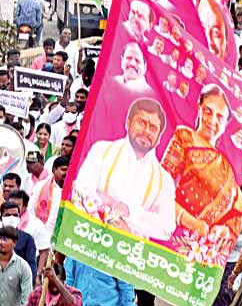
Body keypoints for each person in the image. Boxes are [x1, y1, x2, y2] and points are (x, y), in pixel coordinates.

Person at [71, 98, 176, 241]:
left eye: (153, 128)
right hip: (89, 240)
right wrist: (110, 212)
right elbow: (80, 189)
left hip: (129, 250)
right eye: (141, 122)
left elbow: (167, 228)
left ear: (159, 137)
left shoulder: (164, 180)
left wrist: (129, 213)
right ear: (128, 123)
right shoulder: (102, 151)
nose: (146, 131)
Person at [160, 85, 242, 248]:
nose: (212, 120)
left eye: (220, 117)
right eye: (208, 111)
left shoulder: (226, 167)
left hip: (203, 250)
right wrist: (192, 223)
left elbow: (239, 211)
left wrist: (224, 230)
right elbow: (158, 190)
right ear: (199, 108)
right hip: (170, 234)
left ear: (226, 124)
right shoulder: (184, 137)